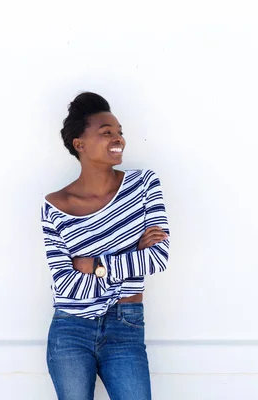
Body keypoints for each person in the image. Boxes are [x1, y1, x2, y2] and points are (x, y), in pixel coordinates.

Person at [40, 92, 170, 400]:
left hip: (126, 325)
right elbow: (66, 282)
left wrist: (92, 265)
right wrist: (132, 255)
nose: (118, 139)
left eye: (120, 132)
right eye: (106, 132)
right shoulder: (55, 206)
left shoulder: (143, 184)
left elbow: (158, 258)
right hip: (70, 330)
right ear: (80, 144)